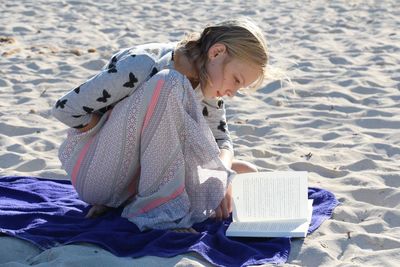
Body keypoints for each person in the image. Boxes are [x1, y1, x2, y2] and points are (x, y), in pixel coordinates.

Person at [52, 18, 269, 230]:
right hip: (97, 173)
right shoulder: (144, 64)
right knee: (169, 82)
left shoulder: (209, 82)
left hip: (138, 179)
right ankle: (159, 212)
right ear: (216, 52)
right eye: (236, 80)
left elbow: (222, 140)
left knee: (245, 171)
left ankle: (135, 198)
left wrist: (220, 174)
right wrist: (111, 130)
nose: (233, 93)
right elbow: (66, 108)